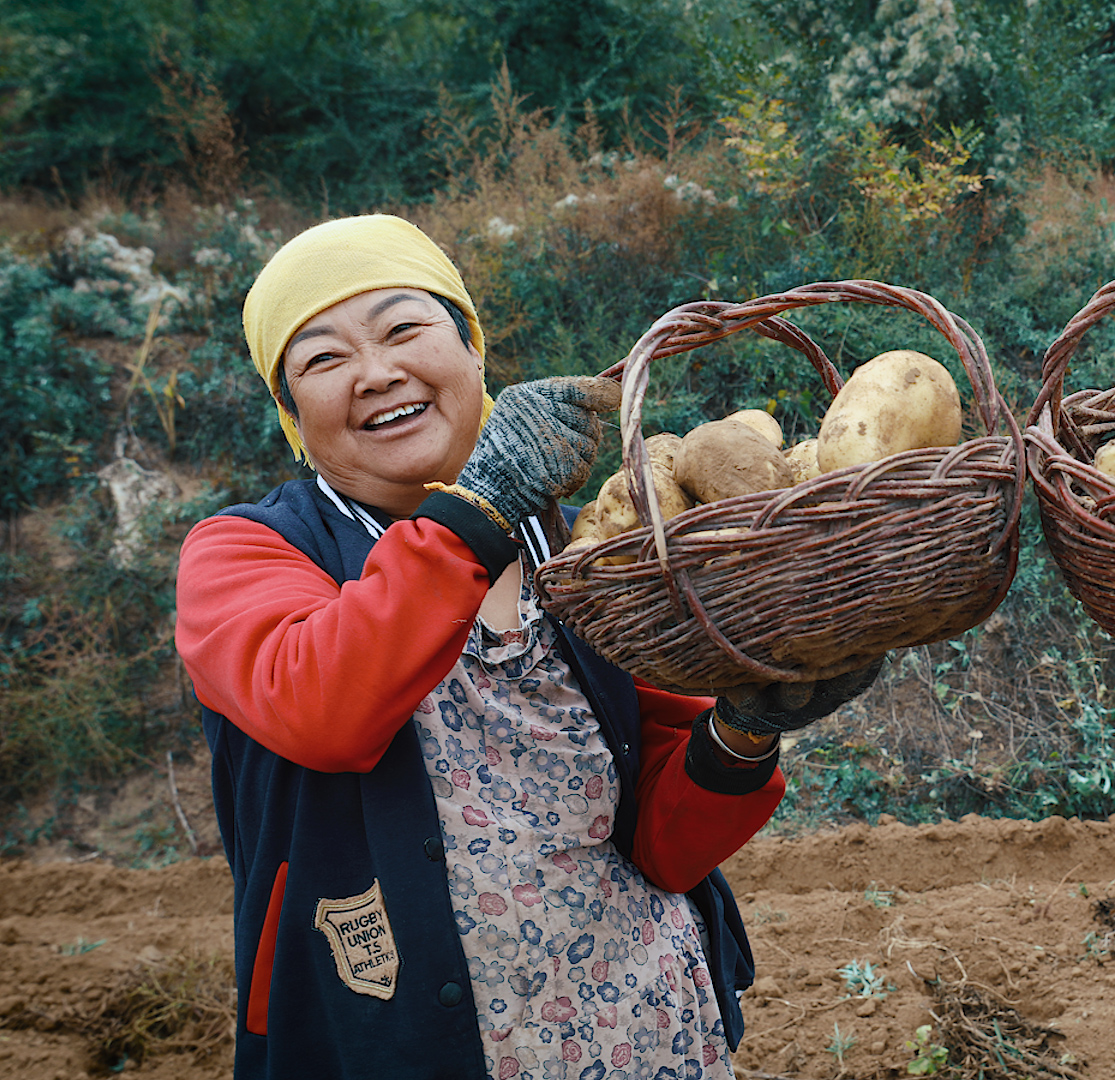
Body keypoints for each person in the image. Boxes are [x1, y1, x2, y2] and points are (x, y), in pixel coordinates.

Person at [174, 214, 874, 1079]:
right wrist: (483, 506)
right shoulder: (244, 552)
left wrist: (742, 729)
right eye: (322, 359)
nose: (376, 371)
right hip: (392, 1043)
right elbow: (325, 708)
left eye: (404, 329)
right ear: (291, 413)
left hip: (640, 1030)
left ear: (472, 349)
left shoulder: (594, 556)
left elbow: (663, 843)